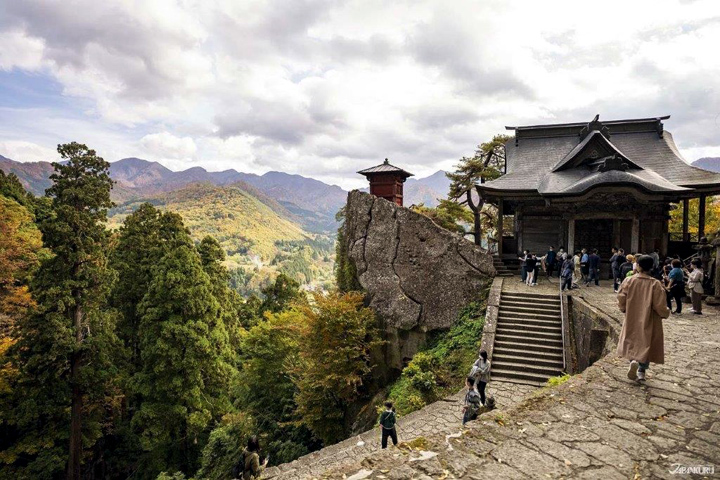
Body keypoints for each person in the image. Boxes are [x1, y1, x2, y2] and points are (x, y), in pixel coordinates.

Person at [617, 255, 670, 382]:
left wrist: (623, 308)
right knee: (646, 342)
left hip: (632, 315)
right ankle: (642, 370)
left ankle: (633, 360)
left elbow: (621, 297)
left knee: (631, 339)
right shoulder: (655, 284)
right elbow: (660, 305)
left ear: (638, 266)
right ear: (651, 267)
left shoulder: (629, 281)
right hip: (649, 317)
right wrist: (665, 313)